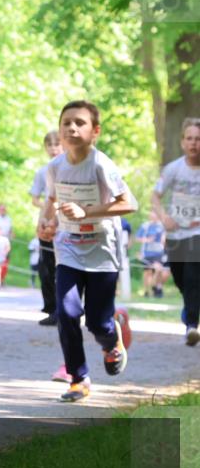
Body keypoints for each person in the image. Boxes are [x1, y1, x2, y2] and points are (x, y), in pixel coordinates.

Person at [40, 101, 136, 402]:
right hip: (68, 249)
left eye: (80, 122)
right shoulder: (54, 167)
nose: (71, 128)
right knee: (67, 312)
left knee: (97, 322)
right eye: (66, 122)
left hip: (102, 252)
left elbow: (130, 204)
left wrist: (88, 212)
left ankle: (112, 341)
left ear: (95, 131)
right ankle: (78, 378)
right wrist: (45, 223)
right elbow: (51, 200)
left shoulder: (100, 165)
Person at [152, 117, 200, 346]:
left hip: (198, 233)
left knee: (193, 275)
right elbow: (155, 196)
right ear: (182, 142)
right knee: (181, 279)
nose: (194, 143)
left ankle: (192, 325)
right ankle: (190, 308)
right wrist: (164, 217)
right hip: (175, 234)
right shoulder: (173, 169)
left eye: (198, 139)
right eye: (190, 138)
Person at [31, 129, 63, 325]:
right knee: (47, 266)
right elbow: (36, 198)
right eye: (50, 145)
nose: (53, 149)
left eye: (57, 144)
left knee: (65, 267)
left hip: (66, 222)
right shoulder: (42, 172)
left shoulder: (69, 168)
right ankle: (52, 309)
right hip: (47, 221)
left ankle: (69, 308)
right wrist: (47, 207)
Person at [135, 211, 169, 297]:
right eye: (151, 214)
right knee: (147, 273)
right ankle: (147, 291)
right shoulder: (145, 226)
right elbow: (137, 238)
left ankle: (156, 288)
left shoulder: (162, 226)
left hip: (158, 253)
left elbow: (165, 239)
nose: (152, 216)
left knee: (158, 270)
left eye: (154, 214)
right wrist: (147, 240)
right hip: (146, 253)